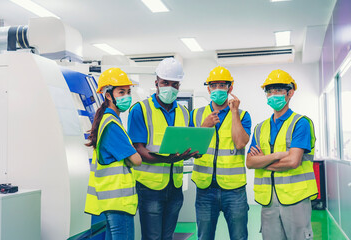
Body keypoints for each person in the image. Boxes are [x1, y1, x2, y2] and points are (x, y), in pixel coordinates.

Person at [127, 57, 198, 240]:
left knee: (167, 237)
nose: (170, 87)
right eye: (165, 82)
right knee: (152, 237)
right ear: (156, 82)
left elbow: (186, 143)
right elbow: (138, 150)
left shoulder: (184, 112)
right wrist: (168, 159)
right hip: (150, 188)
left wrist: (193, 151)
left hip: (174, 186)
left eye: (174, 84)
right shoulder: (140, 110)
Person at [246, 69, 318, 240]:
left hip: (296, 200)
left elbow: (293, 161)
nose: (273, 94)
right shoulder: (260, 128)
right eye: (269, 91)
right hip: (268, 201)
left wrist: (262, 161)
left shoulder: (300, 123)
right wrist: (278, 155)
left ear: (290, 92)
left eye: (278, 90)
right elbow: (249, 162)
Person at [190, 66, 251, 240]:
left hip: (234, 190)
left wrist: (233, 113)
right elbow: (190, 150)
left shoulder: (242, 115)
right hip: (205, 188)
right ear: (208, 88)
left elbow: (240, 142)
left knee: (239, 237)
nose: (217, 89)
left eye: (222, 85)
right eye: (213, 85)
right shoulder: (196, 114)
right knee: (204, 237)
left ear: (230, 88)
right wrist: (204, 126)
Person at [84, 68, 142, 240]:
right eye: (121, 92)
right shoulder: (111, 124)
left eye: (128, 91)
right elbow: (136, 159)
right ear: (108, 95)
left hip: (111, 201)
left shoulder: (109, 120)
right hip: (118, 202)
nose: (126, 96)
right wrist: (131, 157)